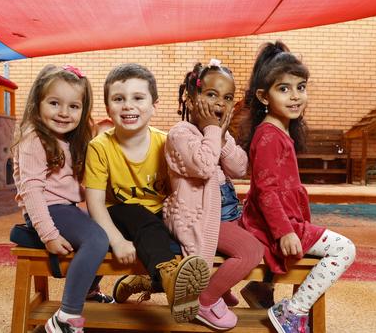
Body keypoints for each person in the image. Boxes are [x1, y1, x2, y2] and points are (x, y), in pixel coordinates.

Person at [240, 42, 356, 333]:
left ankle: (261, 290)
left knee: (325, 247)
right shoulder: (268, 136)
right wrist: (284, 231)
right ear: (263, 97)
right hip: (272, 225)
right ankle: (292, 312)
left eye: (301, 87)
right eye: (284, 89)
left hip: (282, 220)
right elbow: (265, 191)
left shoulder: (278, 131)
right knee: (344, 249)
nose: (295, 96)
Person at [84, 63, 210, 323]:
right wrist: (117, 241)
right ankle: (167, 276)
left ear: (154, 104)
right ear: (108, 107)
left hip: (157, 218)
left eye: (138, 98)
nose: (128, 106)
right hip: (116, 216)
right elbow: (94, 204)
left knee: (178, 240)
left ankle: (141, 281)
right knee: (134, 211)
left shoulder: (166, 142)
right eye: (119, 99)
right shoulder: (99, 147)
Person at [162, 59, 265, 330]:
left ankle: (218, 284)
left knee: (263, 233)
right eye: (211, 95)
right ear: (192, 98)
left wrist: (222, 136)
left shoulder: (219, 134)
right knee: (252, 251)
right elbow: (205, 166)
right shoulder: (180, 133)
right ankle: (204, 300)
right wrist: (212, 131)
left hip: (228, 213)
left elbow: (240, 167)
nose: (219, 103)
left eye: (227, 97)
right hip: (201, 219)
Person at [12, 64, 110, 333]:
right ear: (37, 103)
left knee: (112, 226)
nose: (64, 113)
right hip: (47, 209)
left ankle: (88, 290)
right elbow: (31, 191)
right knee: (97, 239)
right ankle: (66, 317)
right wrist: (49, 234)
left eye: (74, 106)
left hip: (66, 208)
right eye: (55, 103)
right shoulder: (34, 139)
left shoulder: (71, 139)